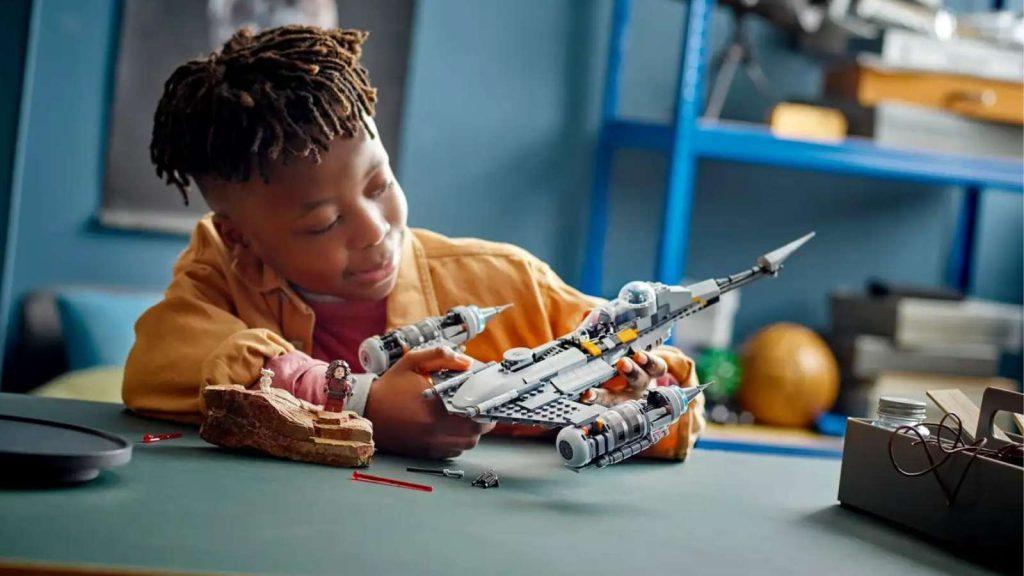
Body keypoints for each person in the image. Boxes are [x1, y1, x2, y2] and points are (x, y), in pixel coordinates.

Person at [123, 25, 705, 460]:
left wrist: (637, 387)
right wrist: (357, 399)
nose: (375, 230)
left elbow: (674, 406)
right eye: (324, 224)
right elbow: (159, 362)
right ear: (241, 239)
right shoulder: (224, 267)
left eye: (379, 185)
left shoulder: (506, 282)